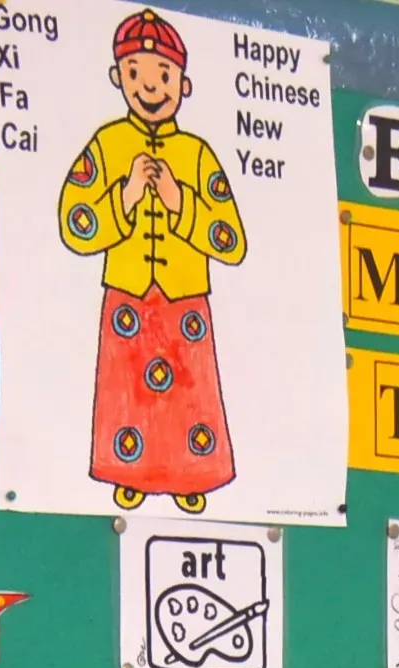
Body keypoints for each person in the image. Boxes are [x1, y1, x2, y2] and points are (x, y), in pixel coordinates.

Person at [57, 11, 247, 513]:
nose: (151, 87)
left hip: (185, 300)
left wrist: (180, 201)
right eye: (137, 73)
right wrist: (126, 194)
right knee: (126, 389)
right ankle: (128, 474)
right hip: (128, 295)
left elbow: (231, 240)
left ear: (184, 84)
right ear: (118, 77)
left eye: (163, 75)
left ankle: (193, 476)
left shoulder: (197, 153)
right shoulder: (107, 145)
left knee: (191, 393)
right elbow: (75, 222)